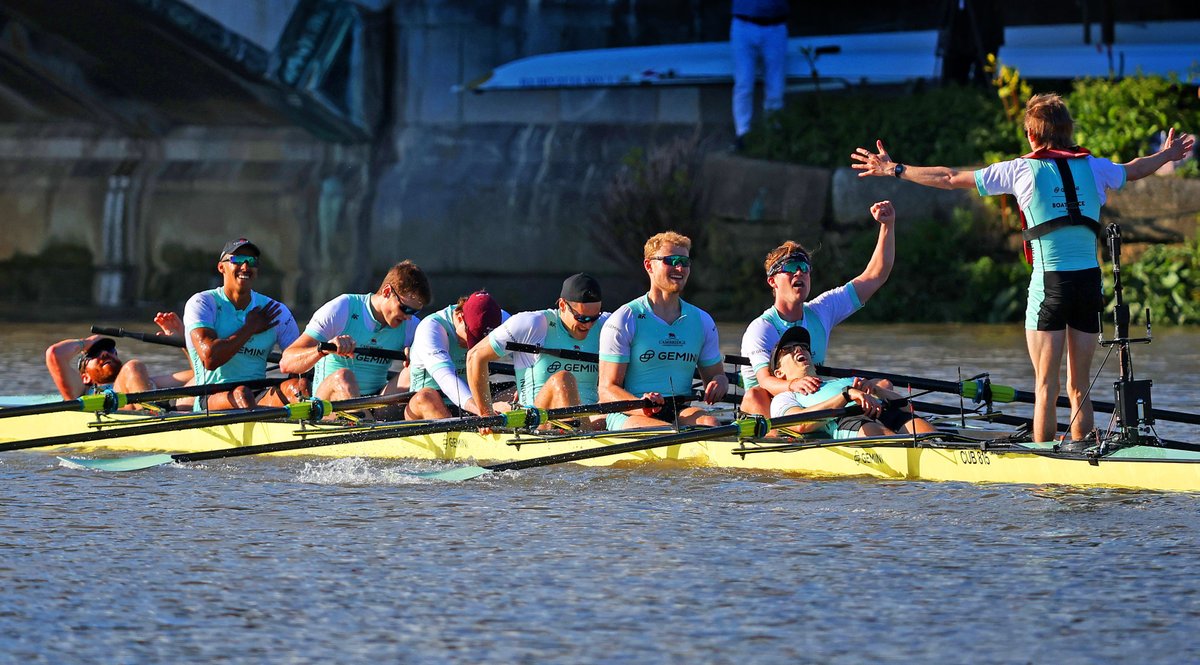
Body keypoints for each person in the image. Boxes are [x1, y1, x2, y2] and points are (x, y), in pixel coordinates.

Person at [851, 93, 1195, 442]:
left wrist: (894, 169)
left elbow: (950, 177)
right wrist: (1166, 155)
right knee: (1080, 389)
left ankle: (1044, 483)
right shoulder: (1094, 166)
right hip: (1090, 285)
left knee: (1046, 386)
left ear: (1032, 135)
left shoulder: (1019, 170)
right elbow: (1134, 169)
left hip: (1051, 286)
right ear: (1067, 131)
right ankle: (1086, 466)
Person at [739, 200, 897, 417]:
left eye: (804, 268)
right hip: (771, 407)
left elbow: (875, 275)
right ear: (773, 282)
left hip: (808, 401)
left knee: (883, 385)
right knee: (755, 394)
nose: (800, 273)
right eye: (791, 268)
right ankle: (779, 441)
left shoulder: (822, 310)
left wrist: (887, 225)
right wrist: (793, 384)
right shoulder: (761, 328)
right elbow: (766, 381)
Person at [599, 231, 727, 430]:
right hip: (631, 412)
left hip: (680, 409)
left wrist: (720, 382)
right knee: (660, 431)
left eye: (685, 262)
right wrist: (641, 406)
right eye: (671, 260)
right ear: (649, 265)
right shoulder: (625, 318)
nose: (680, 268)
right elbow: (607, 390)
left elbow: (716, 376)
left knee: (710, 423)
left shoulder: (701, 320)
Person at [279, 261, 431, 409]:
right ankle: (368, 424)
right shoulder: (343, 308)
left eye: (414, 312)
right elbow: (286, 363)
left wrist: (417, 354)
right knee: (344, 376)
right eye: (405, 309)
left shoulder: (411, 325)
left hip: (376, 402)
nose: (408, 317)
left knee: (419, 365)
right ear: (387, 292)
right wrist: (323, 350)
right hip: (328, 404)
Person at [466, 273, 609, 429]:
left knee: (614, 409)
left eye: (594, 318)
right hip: (539, 420)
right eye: (581, 318)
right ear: (562, 305)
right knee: (563, 379)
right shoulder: (533, 324)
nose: (588, 325)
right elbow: (475, 356)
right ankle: (581, 439)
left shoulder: (607, 325)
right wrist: (486, 414)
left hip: (590, 418)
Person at [184, 238, 306, 411]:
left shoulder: (276, 310)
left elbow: (298, 362)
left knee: (299, 387)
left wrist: (321, 352)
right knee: (242, 394)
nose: (245, 267)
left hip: (257, 393)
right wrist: (250, 328)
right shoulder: (203, 303)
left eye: (251, 261)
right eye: (238, 260)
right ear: (221, 267)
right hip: (211, 396)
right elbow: (210, 358)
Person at [768, 327, 935, 438]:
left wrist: (876, 390)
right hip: (846, 421)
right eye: (788, 350)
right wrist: (846, 396)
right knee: (886, 436)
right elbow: (801, 425)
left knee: (929, 434)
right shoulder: (783, 398)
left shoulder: (842, 381)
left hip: (883, 412)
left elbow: (906, 407)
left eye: (803, 346)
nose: (799, 349)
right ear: (779, 373)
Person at [45, 312, 192, 404]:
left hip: (157, 410)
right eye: (94, 353)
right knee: (133, 366)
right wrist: (86, 343)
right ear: (85, 377)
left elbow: (203, 374)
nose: (104, 354)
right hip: (136, 420)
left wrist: (183, 343)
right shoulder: (80, 391)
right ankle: (153, 414)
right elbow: (54, 354)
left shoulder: (143, 380)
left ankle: (158, 413)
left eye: (109, 350)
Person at [406, 290, 508, 420]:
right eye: (472, 338)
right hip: (428, 408)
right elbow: (447, 379)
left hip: (474, 407)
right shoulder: (432, 327)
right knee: (426, 396)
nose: (474, 347)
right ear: (460, 318)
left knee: (517, 394)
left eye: (480, 342)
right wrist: (483, 411)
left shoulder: (500, 319)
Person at [730, 0, 789, 151]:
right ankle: (743, 134)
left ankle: (773, 133)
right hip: (744, 24)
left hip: (775, 25)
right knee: (743, 83)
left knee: (775, 86)